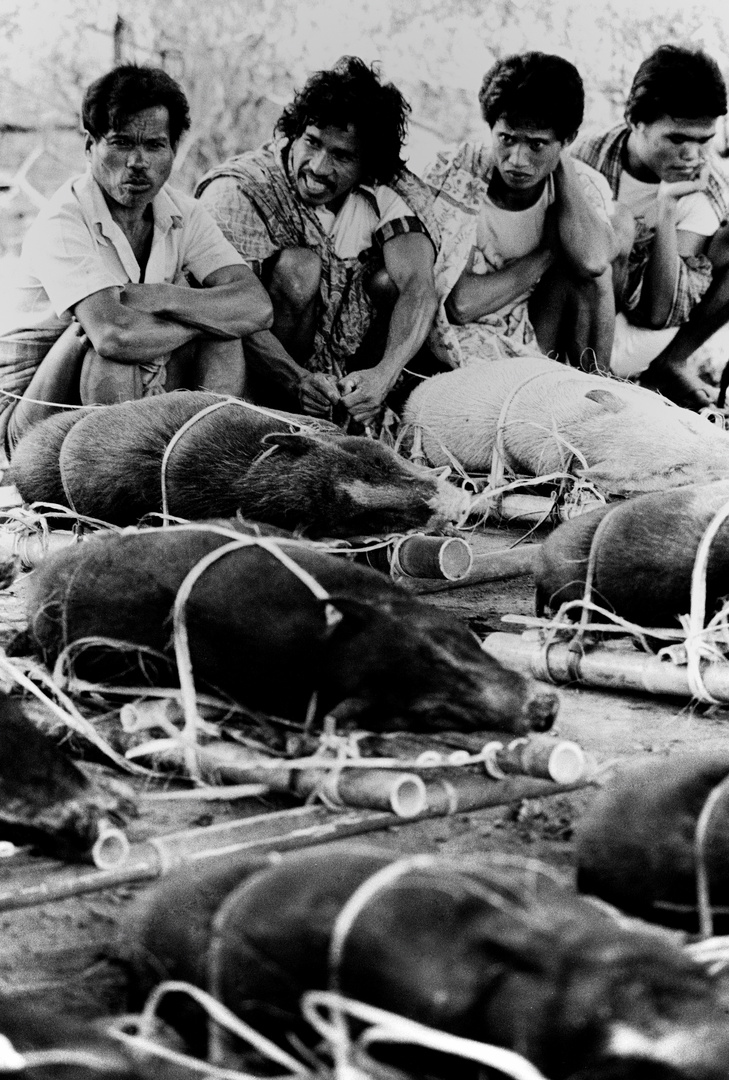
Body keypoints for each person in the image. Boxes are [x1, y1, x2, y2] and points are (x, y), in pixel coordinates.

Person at [0, 64, 275, 457]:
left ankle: (198, 462)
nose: (138, 162)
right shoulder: (63, 220)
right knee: (99, 341)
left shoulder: (185, 213)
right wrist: (203, 320)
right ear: (90, 147)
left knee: (224, 335)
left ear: (173, 151)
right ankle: (116, 476)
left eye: (154, 145)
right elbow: (114, 335)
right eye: (122, 142)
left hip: (138, 381)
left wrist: (165, 297)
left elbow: (257, 306)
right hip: (29, 424)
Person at [196, 55, 438, 427]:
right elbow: (226, 308)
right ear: (294, 132)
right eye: (311, 143)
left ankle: (364, 409)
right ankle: (276, 415)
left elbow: (418, 287)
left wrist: (383, 374)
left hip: (354, 375)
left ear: (367, 165)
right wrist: (296, 381)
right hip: (266, 371)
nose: (318, 167)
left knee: (390, 280)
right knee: (300, 269)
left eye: (341, 156)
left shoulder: (388, 191)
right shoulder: (240, 191)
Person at [422, 52, 618, 373]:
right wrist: (548, 251)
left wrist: (562, 167)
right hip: (456, 343)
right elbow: (460, 305)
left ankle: (596, 384)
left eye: (536, 145)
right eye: (507, 139)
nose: (517, 159)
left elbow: (594, 263)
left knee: (588, 273)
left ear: (567, 140)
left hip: (537, 332)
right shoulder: (456, 174)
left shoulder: (581, 185)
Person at [572, 44, 729, 409]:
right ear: (634, 122)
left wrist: (668, 205)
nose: (691, 155)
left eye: (703, 140)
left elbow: (659, 312)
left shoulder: (703, 189)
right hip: (582, 323)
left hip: (649, 329)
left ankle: (670, 363)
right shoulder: (589, 159)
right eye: (676, 138)